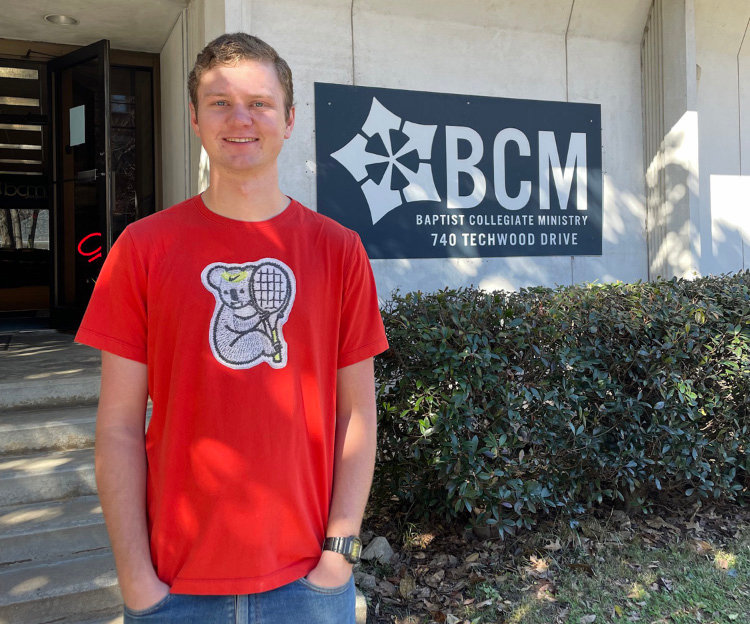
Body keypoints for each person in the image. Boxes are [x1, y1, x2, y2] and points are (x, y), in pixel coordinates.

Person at [75, 33, 388, 624]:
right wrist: (136, 578)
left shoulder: (339, 251)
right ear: (194, 118)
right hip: (174, 586)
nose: (241, 118)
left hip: (307, 584)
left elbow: (357, 416)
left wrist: (339, 555)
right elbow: (117, 426)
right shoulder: (143, 250)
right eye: (219, 103)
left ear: (289, 119)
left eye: (260, 103)